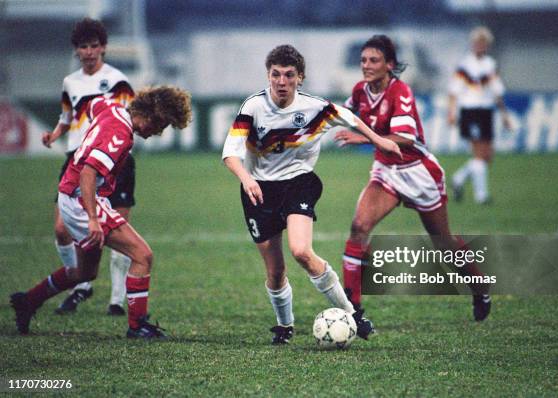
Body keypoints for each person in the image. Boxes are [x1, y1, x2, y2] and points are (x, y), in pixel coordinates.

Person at [222, 44, 402, 344]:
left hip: (298, 183)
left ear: (300, 77)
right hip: (258, 190)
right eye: (275, 75)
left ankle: (352, 315)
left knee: (302, 251)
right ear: (268, 76)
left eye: (289, 75)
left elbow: (351, 118)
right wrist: (246, 179)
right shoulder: (253, 107)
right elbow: (230, 153)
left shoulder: (315, 107)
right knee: (275, 270)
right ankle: (285, 326)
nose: (281, 82)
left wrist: (378, 141)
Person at [10, 86, 192, 338]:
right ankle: (137, 326)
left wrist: (58, 130)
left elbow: (88, 102)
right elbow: (88, 172)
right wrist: (93, 219)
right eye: (162, 125)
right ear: (151, 117)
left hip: (74, 196)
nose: (159, 132)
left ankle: (28, 300)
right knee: (142, 255)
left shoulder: (112, 107)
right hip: (81, 200)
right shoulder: (120, 134)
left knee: (85, 273)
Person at [336, 35, 492, 322]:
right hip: (386, 172)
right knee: (359, 227)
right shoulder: (360, 90)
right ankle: (353, 310)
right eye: (363, 60)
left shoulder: (400, 92)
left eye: (374, 60)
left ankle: (480, 288)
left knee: (443, 244)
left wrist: (362, 138)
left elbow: (404, 138)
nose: (366, 66)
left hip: (419, 173)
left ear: (389, 65)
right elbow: (342, 114)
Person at [42, 18, 136, 316]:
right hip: (77, 160)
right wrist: (55, 134)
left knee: (119, 232)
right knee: (61, 229)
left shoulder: (117, 80)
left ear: (104, 47)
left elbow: (131, 118)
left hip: (112, 162)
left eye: (94, 45)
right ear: (77, 50)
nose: (90, 51)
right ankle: (79, 284)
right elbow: (66, 116)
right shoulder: (71, 82)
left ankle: (117, 300)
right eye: (84, 46)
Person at [447, 26, 511, 204]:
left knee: (487, 156)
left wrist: (504, 114)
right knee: (479, 153)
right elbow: (454, 91)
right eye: (477, 42)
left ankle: (458, 179)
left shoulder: (490, 64)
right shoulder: (465, 65)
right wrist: (451, 113)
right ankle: (481, 196)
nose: (480, 46)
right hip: (470, 111)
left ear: (487, 45)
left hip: (486, 111)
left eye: (483, 43)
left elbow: (497, 91)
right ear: (472, 44)